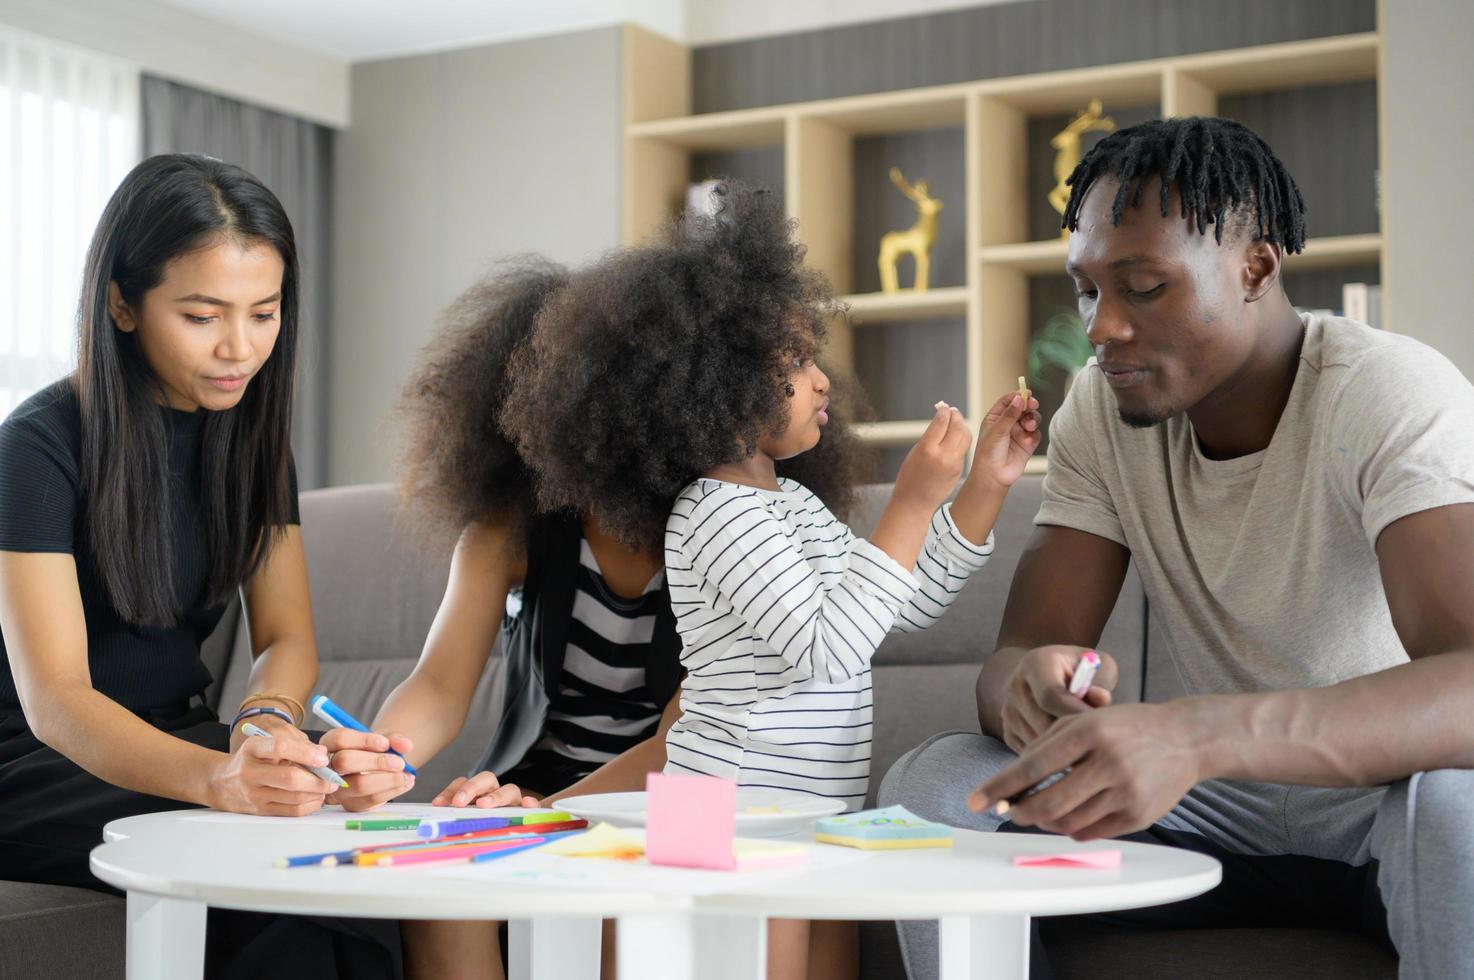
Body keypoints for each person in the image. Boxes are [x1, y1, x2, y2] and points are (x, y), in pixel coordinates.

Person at [879, 116, 1474, 980]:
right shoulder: (1101, 409)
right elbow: (1013, 657)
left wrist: (1193, 736)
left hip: (1376, 811)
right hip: (1200, 814)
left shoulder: (1389, 392)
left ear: (1255, 268)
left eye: (1145, 286)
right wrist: (1028, 691)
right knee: (931, 789)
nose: (1101, 327)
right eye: (1086, 290)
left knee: (1457, 808)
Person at [499, 181, 1043, 980]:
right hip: (733, 812)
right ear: (713, 388)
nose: (824, 380)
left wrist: (983, 487)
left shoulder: (788, 505)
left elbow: (898, 603)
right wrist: (914, 501)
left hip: (807, 812)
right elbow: (828, 648)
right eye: (795, 365)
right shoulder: (715, 514)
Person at [320, 254, 872, 980]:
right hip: (538, 789)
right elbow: (439, 687)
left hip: (675, 797)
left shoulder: (734, 533)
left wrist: (544, 819)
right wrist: (386, 755)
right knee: (436, 889)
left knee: (635, 888)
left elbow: (682, 746)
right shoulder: (509, 532)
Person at [0, 154, 399, 976]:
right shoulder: (35, 448)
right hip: (35, 765)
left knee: (358, 864)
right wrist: (222, 779)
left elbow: (287, 639)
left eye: (265, 312)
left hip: (182, 737)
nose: (239, 348)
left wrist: (265, 730)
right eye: (202, 315)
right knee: (265, 872)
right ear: (121, 303)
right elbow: (57, 701)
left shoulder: (252, 444)